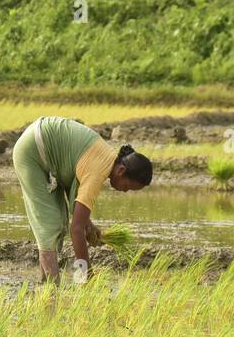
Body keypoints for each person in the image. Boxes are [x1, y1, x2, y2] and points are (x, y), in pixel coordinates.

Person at [12, 116, 152, 282]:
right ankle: (51, 288)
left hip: (46, 148)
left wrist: (89, 226)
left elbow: (78, 210)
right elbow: (76, 229)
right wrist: (87, 276)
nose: (124, 191)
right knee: (50, 226)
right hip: (32, 151)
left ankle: (46, 283)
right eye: (127, 186)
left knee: (59, 223)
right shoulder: (98, 172)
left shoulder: (106, 158)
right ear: (121, 171)